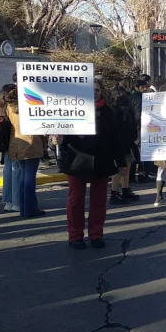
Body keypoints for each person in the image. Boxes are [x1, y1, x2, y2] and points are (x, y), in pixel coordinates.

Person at [52, 79, 127, 249]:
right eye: (91, 89)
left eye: (98, 89)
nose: (94, 92)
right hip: (76, 161)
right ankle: (75, 236)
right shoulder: (71, 110)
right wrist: (58, 140)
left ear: (102, 92)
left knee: (99, 202)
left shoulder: (109, 112)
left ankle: (96, 235)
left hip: (101, 162)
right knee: (75, 201)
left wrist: (121, 162)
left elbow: (116, 139)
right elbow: (62, 136)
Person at [4, 89, 46, 217]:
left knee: (23, 178)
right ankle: (30, 209)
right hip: (31, 142)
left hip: (16, 144)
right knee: (29, 179)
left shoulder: (9, 107)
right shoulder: (30, 106)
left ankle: (24, 208)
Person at [108, 86, 140, 204]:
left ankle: (119, 191)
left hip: (113, 144)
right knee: (124, 168)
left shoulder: (110, 110)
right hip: (125, 144)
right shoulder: (126, 110)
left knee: (120, 169)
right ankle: (117, 192)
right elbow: (132, 127)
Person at [0, 84, 18, 212]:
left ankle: (7, 200)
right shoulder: (11, 107)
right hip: (14, 142)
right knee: (16, 172)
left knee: (8, 171)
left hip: (3, 143)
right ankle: (15, 201)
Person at [129, 80, 149, 184]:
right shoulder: (139, 98)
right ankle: (142, 175)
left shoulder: (132, 97)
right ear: (137, 87)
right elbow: (138, 115)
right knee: (141, 153)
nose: (145, 89)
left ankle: (131, 176)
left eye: (146, 87)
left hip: (132, 129)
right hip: (139, 130)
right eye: (143, 87)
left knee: (134, 154)